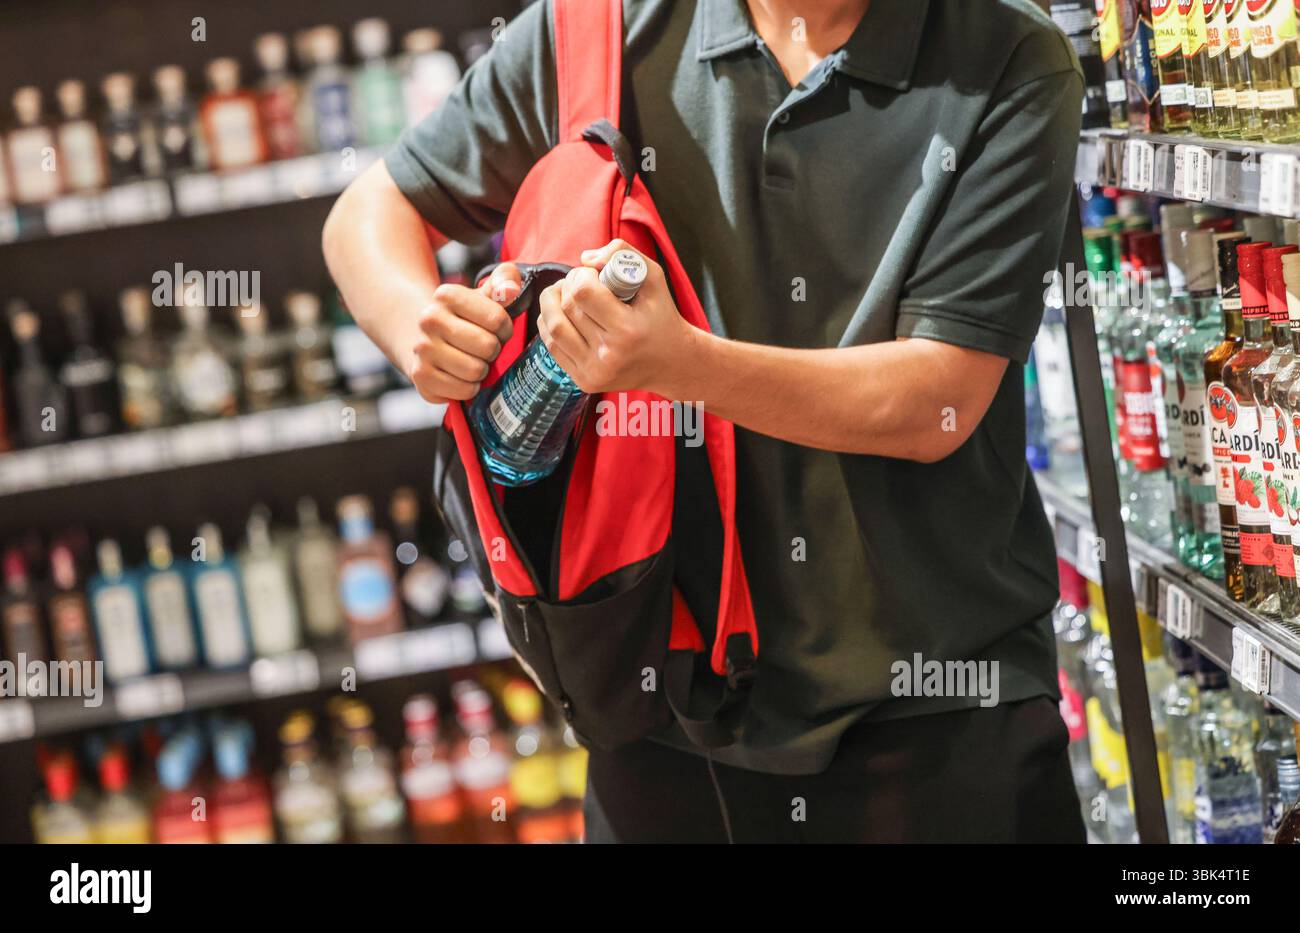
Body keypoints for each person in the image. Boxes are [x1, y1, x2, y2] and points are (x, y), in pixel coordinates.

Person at [324, 0, 1086, 843]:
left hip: (941, 710)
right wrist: (418, 328)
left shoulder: (1009, 56)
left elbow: (935, 402)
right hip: (661, 705)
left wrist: (679, 362)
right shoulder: (599, 28)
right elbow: (368, 213)